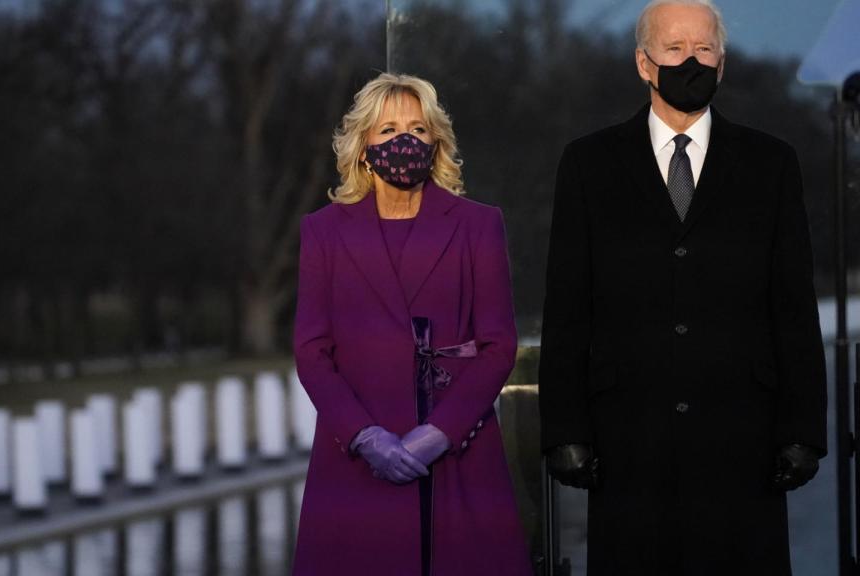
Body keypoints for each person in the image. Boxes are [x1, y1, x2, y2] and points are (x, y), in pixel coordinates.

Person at [538, 1, 827, 574]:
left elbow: (793, 305)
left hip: (742, 441)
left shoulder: (772, 164)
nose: (689, 61)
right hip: (628, 443)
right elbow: (568, 306)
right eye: (674, 49)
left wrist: (803, 431)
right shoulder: (588, 164)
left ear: (722, 65)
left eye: (703, 49)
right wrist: (565, 430)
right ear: (644, 64)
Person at [292, 73, 533, 576]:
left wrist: (437, 434)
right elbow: (311, 350)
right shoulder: (324, 231)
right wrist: (364, 437)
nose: (405, 140)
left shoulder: (479, 224)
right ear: (362, 147)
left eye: (418, 129)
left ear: (436, 142)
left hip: (457, 454)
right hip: (357, 462)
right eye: (387, 130)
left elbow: (498, 345)